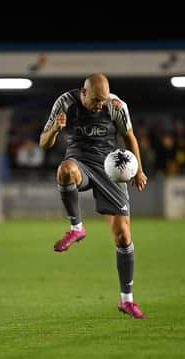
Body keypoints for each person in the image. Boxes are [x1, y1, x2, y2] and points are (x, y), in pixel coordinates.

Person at [39, 73, 148, 318]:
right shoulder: (65, 103)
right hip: (80, 161)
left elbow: (130, 138)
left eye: (104, 99)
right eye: (96, 100)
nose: (101, 105)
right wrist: (56, 129)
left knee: (122, 236)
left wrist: (139, 170)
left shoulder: (117, 106)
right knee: (65, 171)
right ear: (84, 92)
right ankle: (76, 227)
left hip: (111, 168)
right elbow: (44, 142)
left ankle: (126, 300)